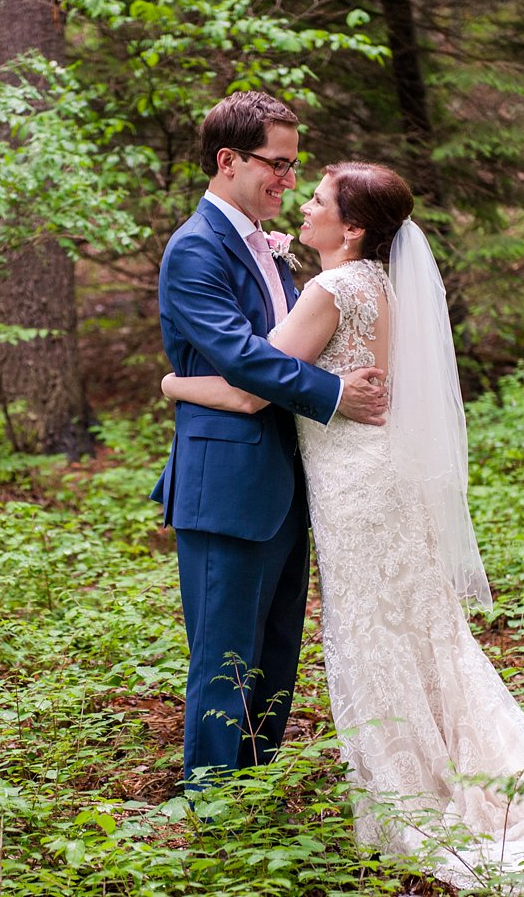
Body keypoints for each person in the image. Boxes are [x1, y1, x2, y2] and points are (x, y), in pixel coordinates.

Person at [162, 161, 524, 888]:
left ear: (352, 229)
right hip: (384, 481)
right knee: (421, 634)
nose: (302, 205)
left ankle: (408, 796)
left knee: (376, 634)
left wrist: (172, 383)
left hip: (356, 490)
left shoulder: (329, 288)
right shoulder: (382, 285)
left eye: (316, 199)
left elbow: (253, 391)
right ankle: (457, 773)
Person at [151, 92, 389, 790]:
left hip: (289, 483)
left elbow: (288, 351)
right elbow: (245, 361)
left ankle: (255, 791)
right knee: (224, 657)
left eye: (293, 166)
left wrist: (176, 385)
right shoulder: (195, 250)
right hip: (226, 487)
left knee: (277, 653)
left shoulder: (274, 252)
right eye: (276, 164)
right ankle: (213, 805)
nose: (289, 179)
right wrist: (339, 396)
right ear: (228, 161)